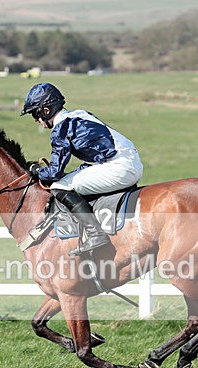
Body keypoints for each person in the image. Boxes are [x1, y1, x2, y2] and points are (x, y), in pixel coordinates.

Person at [21, 82, 143, 255]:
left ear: (46, 110)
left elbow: (54, 172)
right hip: (128, 162)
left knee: (59, 186)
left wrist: (35, 171)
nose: (36, 119)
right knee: (69, 179)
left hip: (119, 167)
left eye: (35, 113)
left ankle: (95, 234)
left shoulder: (61, 128)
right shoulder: (79, 114)